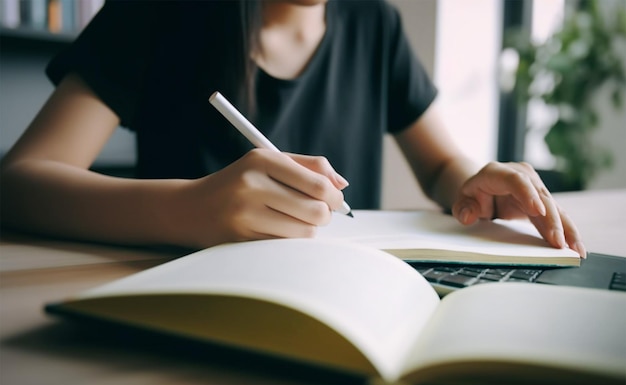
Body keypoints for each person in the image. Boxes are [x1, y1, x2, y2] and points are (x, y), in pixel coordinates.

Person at [0, 0, 586, 258]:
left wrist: (473, 179)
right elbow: (18, 185)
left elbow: (438, 167)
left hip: (343, 298)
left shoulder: (373, 23)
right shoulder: (158, 12)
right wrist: (188, 209)